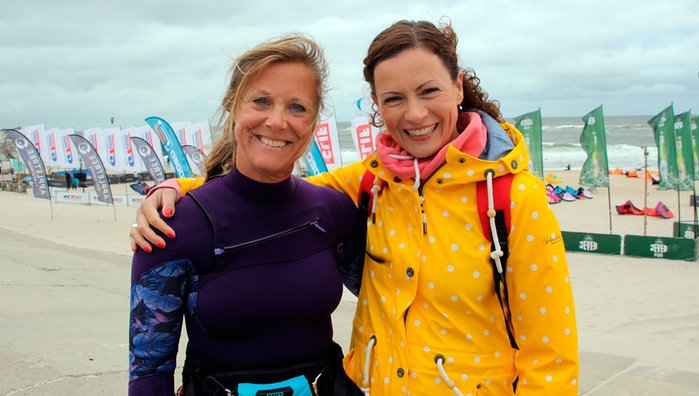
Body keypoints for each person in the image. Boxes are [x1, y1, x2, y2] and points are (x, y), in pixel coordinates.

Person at [130, 19, 580, 395]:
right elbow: (267, 188)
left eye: (429, 91)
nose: (415, 114)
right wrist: (173, 190)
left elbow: (551, 356)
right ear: (378, 108)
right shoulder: (371, 182)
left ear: (458, 87)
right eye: (394, 99)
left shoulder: (511, 198)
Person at [128, 34, 364, 396]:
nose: (277, 121)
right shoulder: (171, 226)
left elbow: (395, 298)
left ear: (314, 121)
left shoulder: (333, 212)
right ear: (233, 106)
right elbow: (149, 371)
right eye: (261, 101)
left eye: (297, 107)